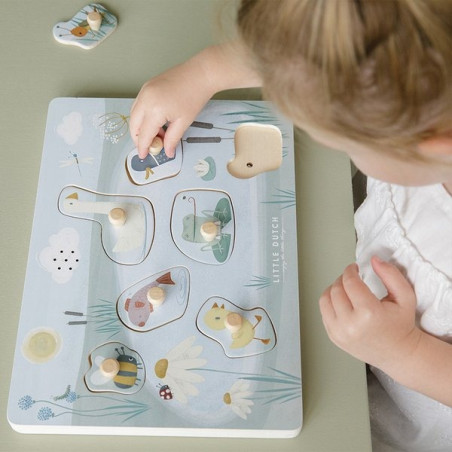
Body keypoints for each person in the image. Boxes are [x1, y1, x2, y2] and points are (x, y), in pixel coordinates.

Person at [130, 1, 452, 450]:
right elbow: (323, 56)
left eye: (346, 141)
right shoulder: (415, 102)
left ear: (432, 146)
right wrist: (205, 72)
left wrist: (405, 351)